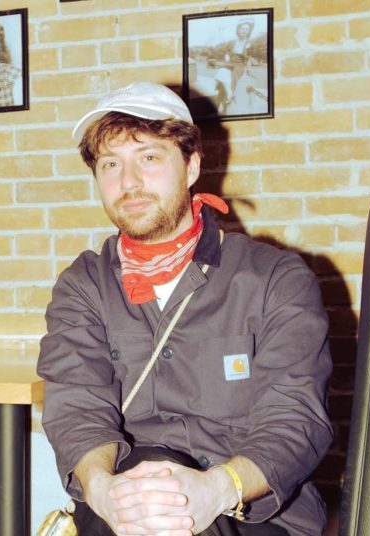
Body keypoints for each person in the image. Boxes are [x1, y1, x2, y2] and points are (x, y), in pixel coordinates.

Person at [37, 82, 332, 536]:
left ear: (191, 165)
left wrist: (215, 489)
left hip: (248, 509)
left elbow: (296, 418)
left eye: (149, 158)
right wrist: (102, 490)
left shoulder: (275, 279)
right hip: (124, 507)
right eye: (111, 164)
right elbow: (77, 407)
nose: (128, 182)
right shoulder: (84, 286)